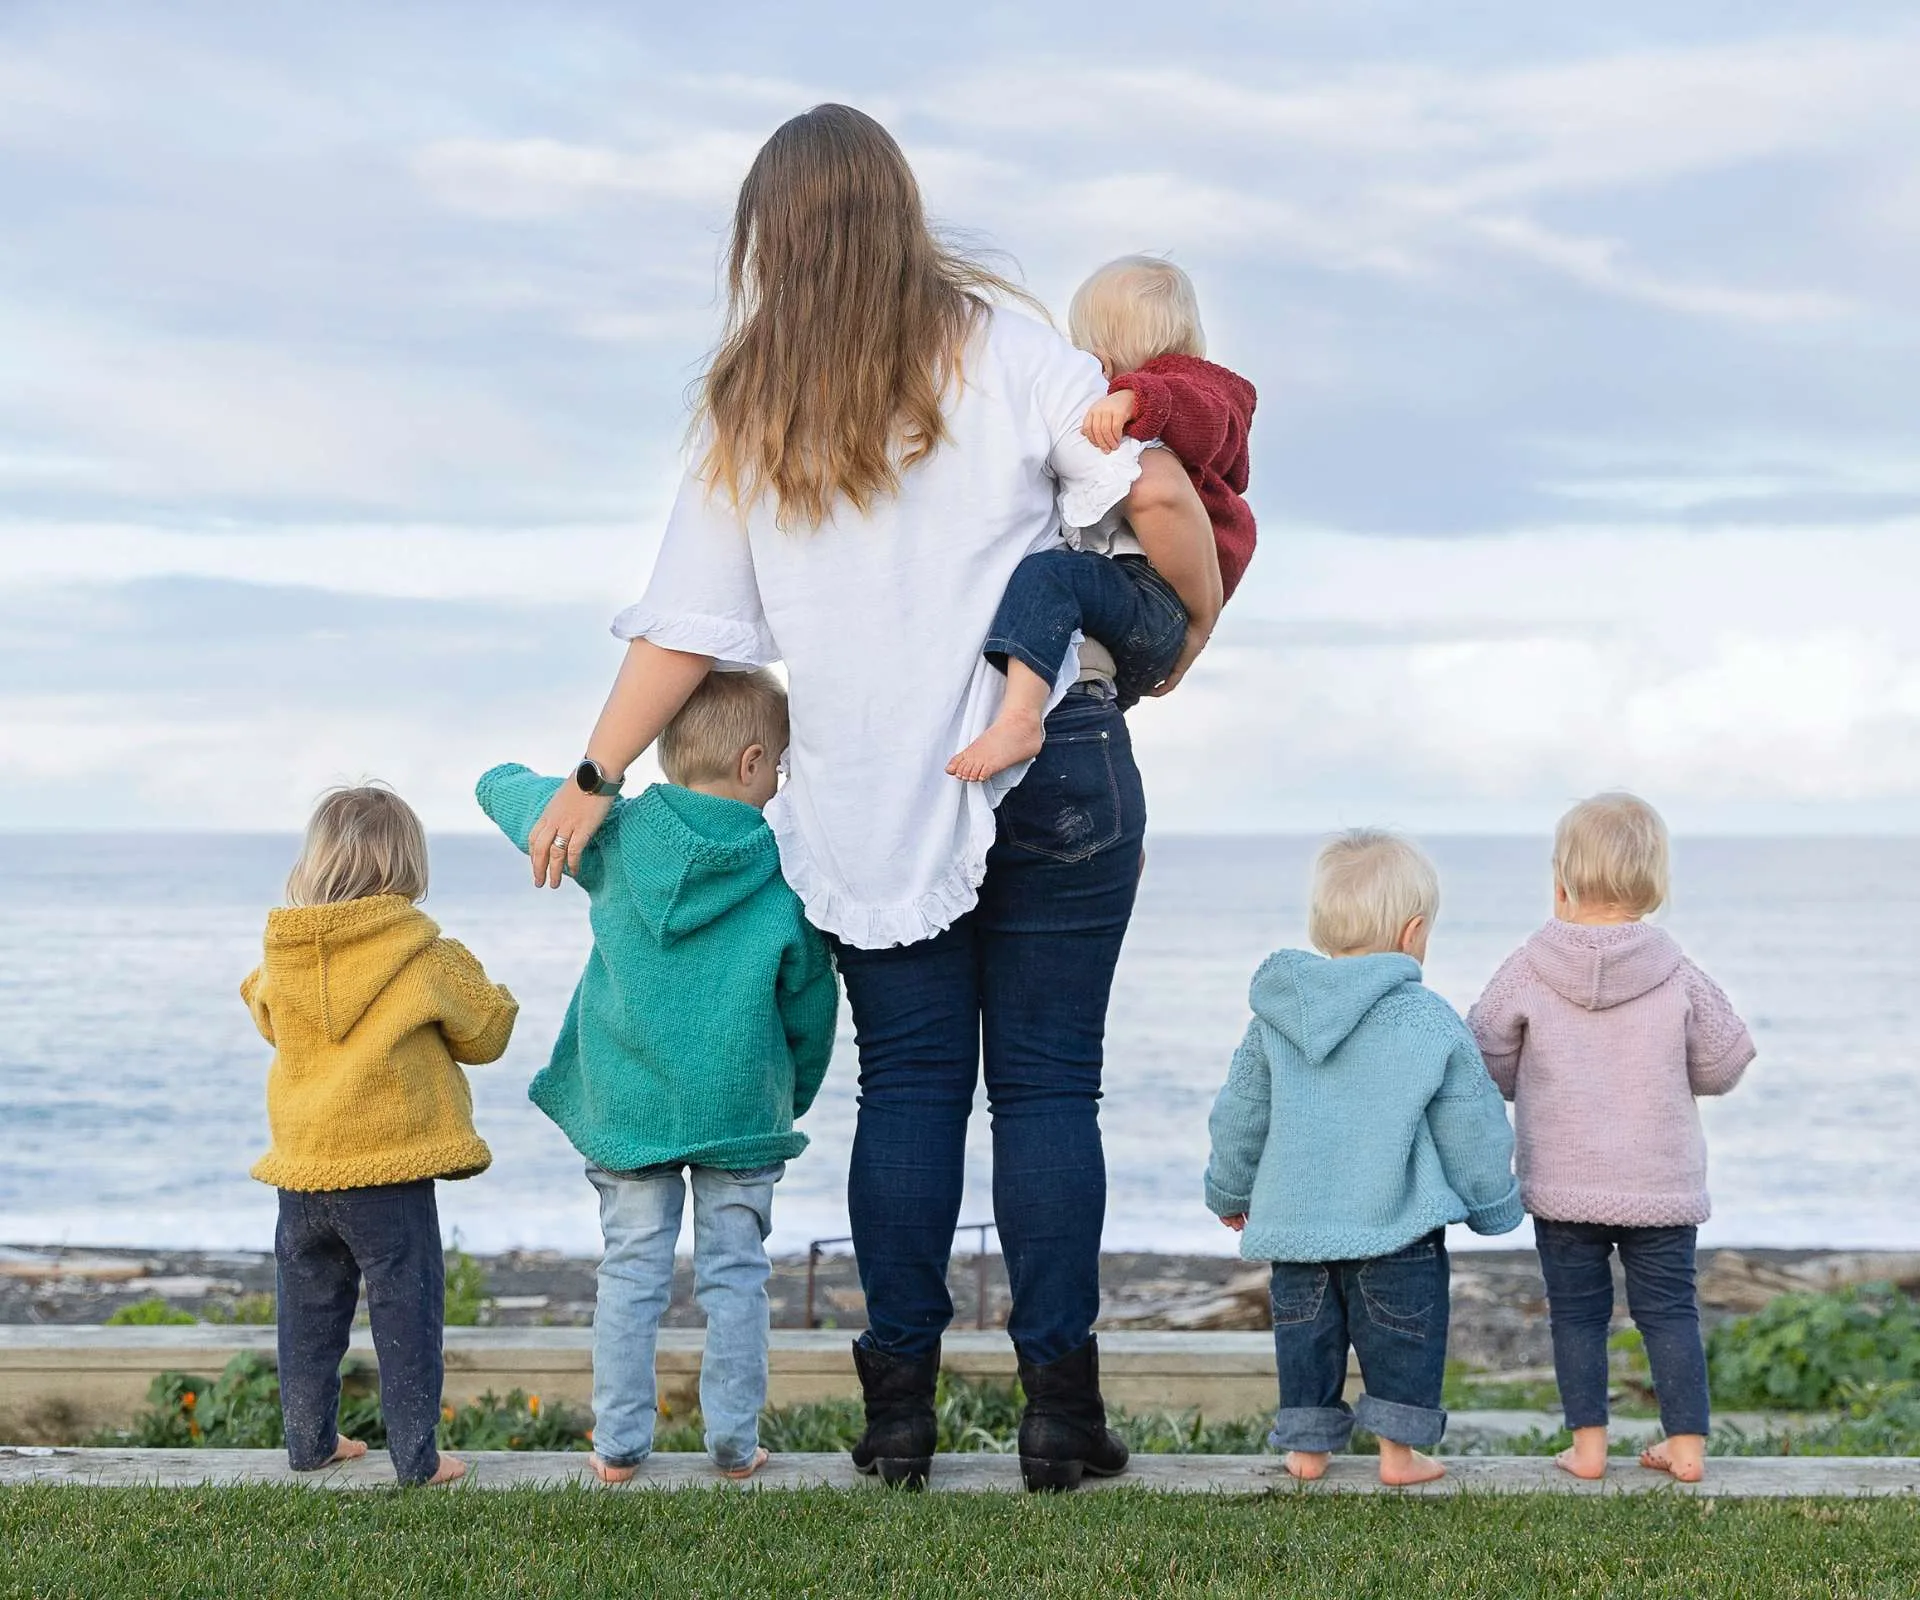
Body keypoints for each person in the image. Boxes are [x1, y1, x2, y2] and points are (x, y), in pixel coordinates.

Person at [525, 103, 1220, 1492]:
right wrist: (1189, 627)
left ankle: (897, 1423)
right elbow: (1152, 492)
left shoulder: (749, 407)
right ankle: (1058, 1423)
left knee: (907, 1094)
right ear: (902, 214)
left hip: (869, 797)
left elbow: (686, 631)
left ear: (764, 243)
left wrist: (594, 776)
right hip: (1055, 763)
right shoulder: (1013, 350)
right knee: (1047, 1092)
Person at [475, 670, 837, 1484]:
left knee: (631, 1271)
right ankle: (735, 1447)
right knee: (737, 1274)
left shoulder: (613, 834)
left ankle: (619, 1447)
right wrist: (794, 1090)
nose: (781, 782)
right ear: (750, 764)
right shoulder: (785, 870)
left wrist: (589, 787)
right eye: (779, 766)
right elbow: (812, 999)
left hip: (630, 1102)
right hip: (741, 1105)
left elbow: (495, 786)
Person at [1204, 830, 1522, 1486]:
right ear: (1413, 932)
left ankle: (1307, 1451)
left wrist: (1228, 1192)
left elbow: (1240, 1116)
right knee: (1401, 1339)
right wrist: (1493, 1204)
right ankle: (1399, 1456)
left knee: (1305, 1339)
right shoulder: (1429, 1020)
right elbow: (1474, 1123)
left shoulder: (1275, 1021)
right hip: (1395, 1226)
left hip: (1295, 1229)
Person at [1468, 793, 1755, 1484]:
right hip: (1660, 1183)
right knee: (1669, 1313)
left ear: (1559, 881)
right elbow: (1726, 1061)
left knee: (1576, 1315)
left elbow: (1484, 1048)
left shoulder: (1528, 966)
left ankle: (1589, 1448)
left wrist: (1522, 1078)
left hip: (1563, 1182)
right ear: (1654, 883)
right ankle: (1686, 1448)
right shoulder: (1676, 969)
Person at [243, 784, 517, 1488]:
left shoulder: (284, 953)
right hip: (388, 1172)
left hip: (304, 1171)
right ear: (408, 870)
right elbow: (487, 1032)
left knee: (307, 1316)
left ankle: (310, 1443)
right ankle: (418, 1461)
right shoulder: (422, 954)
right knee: (407, 1314)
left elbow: (264, 1012)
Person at [949, 254, 1256, 782]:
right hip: (1138, 603)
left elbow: (1205, 416)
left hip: (1159, 597)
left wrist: (1138, 395)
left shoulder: (1201, 387)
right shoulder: (1141, 396)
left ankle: (1020, 720)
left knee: (1049, 575)